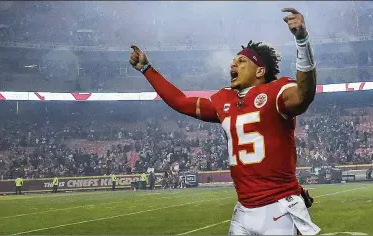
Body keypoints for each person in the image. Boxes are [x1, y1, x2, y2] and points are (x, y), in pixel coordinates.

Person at [129, 7, 320, 235]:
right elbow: (180, 101)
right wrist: (147, 69)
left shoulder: (276, 91)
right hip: (244, 209)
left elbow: (304, 94)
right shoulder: (225, 100)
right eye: (233, 61)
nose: (233, 65)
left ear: (260, 70)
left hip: (278, 206)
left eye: (241, 61)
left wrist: (302, 41)